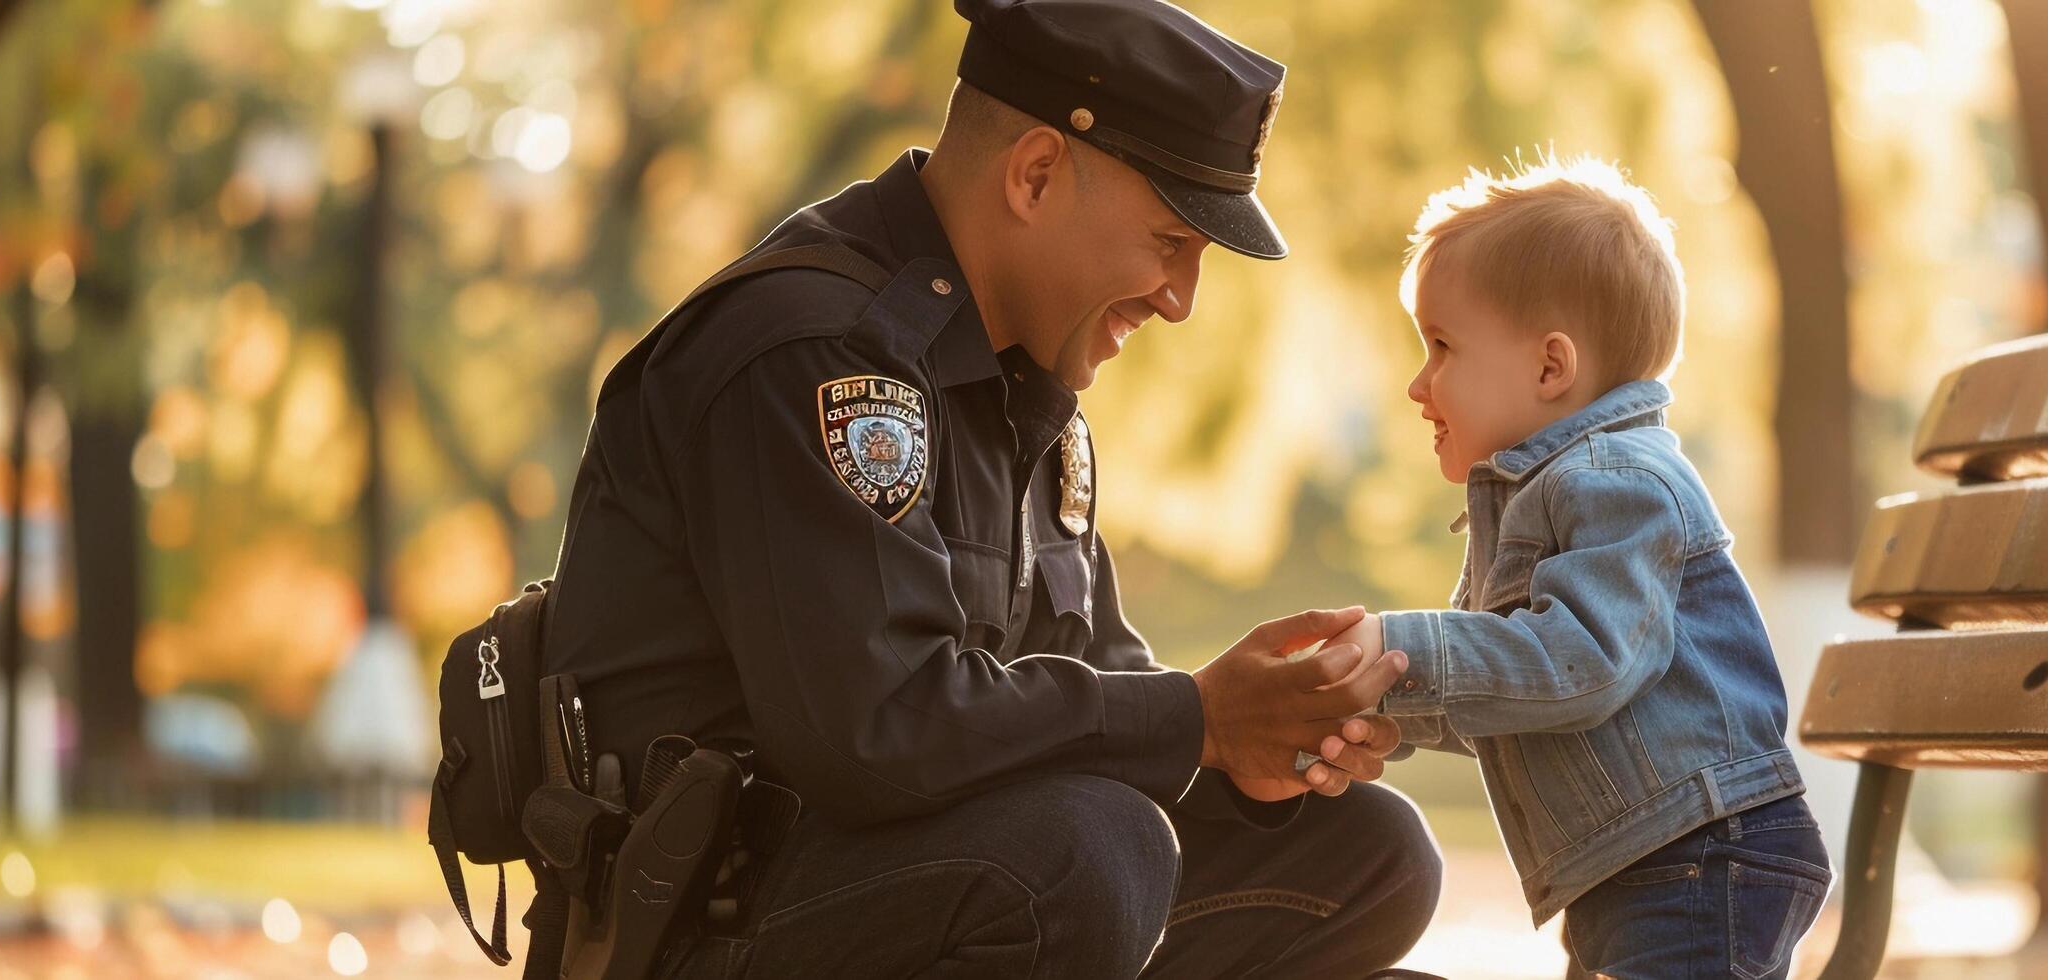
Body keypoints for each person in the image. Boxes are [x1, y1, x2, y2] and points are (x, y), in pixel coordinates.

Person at [535, 0, 1439, 975]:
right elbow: (876, 730)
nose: (1180, 300)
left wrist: (1251, 737)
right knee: (1089, 854)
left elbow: (1087, 681)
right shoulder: (817, 357)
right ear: (1036, 172)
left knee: (1369, 849)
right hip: (704, 926)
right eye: (1170, 242)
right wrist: (1195, 717)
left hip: (911, 884)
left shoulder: (1019, 387)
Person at [1313, 156, 1829, 977]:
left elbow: (1581, 665)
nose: (1418, 383)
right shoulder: (1545, 494)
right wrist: (1382, 701)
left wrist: (1398, 648)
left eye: (1441, 346)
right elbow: (1523, 693)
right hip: (1652, 852)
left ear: (1552, 367)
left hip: (1699, 849)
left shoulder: (1617, 481)